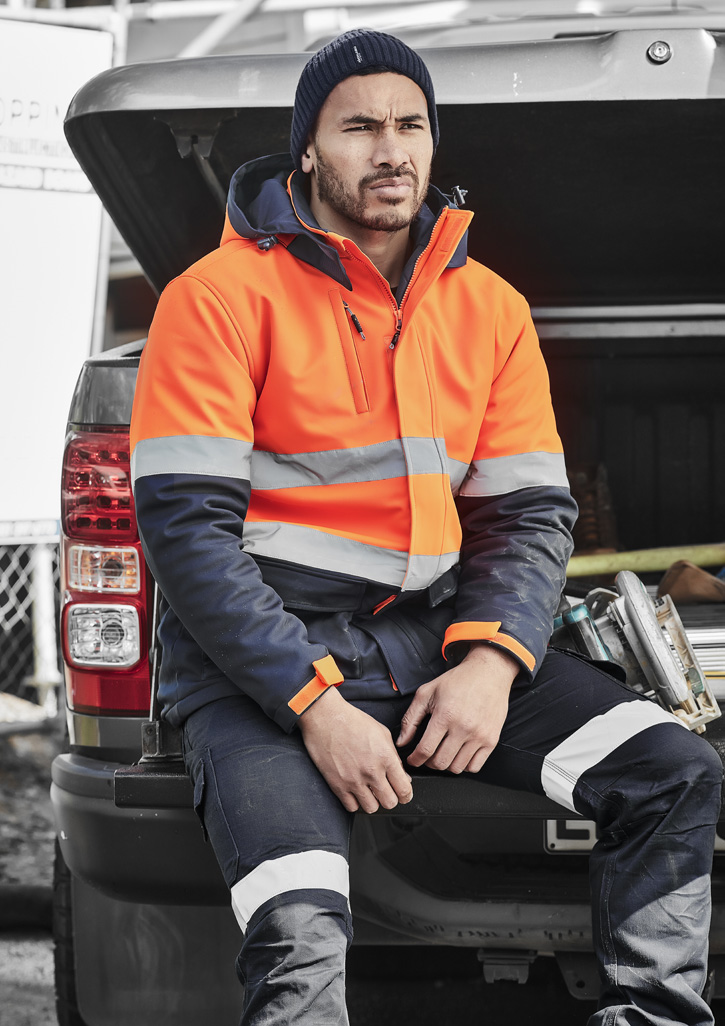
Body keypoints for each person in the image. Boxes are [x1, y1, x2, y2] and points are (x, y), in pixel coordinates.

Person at [129, 28, 723, 1026]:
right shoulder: (216, 300)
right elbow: (188, 537)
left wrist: (489, 663)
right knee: (299, 926)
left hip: (428, 641)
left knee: (672, 771)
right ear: (307, 148)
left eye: (410, 125)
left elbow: (526, 517)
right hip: (257, 670)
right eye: (358, 126)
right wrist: (315, 706)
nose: (390, 149)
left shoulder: (488, 307)